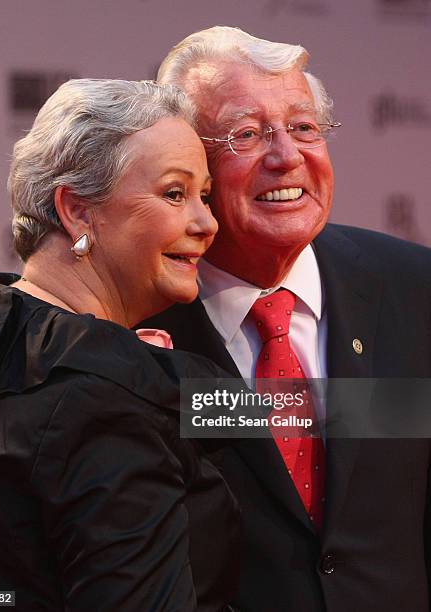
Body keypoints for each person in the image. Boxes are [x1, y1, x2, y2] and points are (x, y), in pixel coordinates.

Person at [141, 26, 431, 612]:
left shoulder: (414, 288)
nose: (286, 156)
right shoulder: (135, 320)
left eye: (303, 128)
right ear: (184, 165)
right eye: (247, 134)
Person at [0, 78, 241, 611]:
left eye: (204, 196)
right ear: (78, 212)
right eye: (175, 194)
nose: (208, 223)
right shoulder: (114, 394)